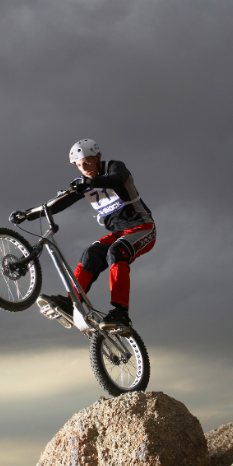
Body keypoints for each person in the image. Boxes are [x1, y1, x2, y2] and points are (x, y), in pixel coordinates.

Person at [13, 139, 156, 330]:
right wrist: (27, 214)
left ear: (97, 158)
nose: (84, 168)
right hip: (118, 233)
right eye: (80, 166)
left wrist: (90, 181)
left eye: (87, 162)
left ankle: (121, 314)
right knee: (91, 254)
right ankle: (71, 302)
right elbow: (58, 204)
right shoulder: (85, 182)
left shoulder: (114, 167)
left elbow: (118, 179)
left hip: (143, 228)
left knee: (117, 252)